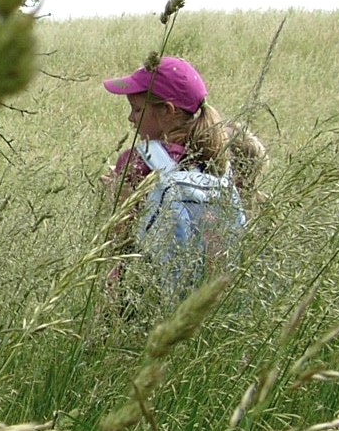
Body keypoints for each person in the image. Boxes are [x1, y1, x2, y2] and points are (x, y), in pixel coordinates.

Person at [101, 55, 249, 301]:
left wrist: (112, 196)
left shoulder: (137, 161)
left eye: (137, 109)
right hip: (207, 295)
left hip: (143, 294)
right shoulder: (218, 162)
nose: (131, 118)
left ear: (167, 111)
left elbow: (119, 236)